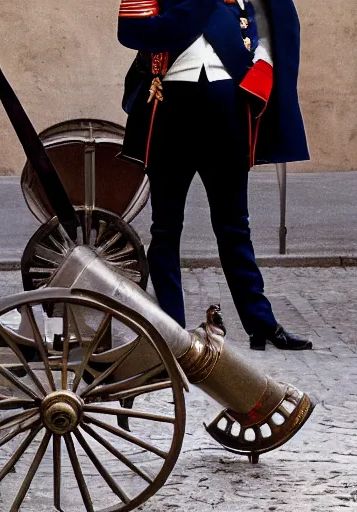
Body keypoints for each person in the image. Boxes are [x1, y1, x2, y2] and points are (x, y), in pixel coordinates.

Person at [116, 0, 313, 350]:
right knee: (165, 229)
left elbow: (270, 28)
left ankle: (260, 324)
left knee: (235, 227)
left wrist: (262, 65)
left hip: (227, 108)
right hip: (170, 107)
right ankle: (173, 329)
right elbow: (132, 31)